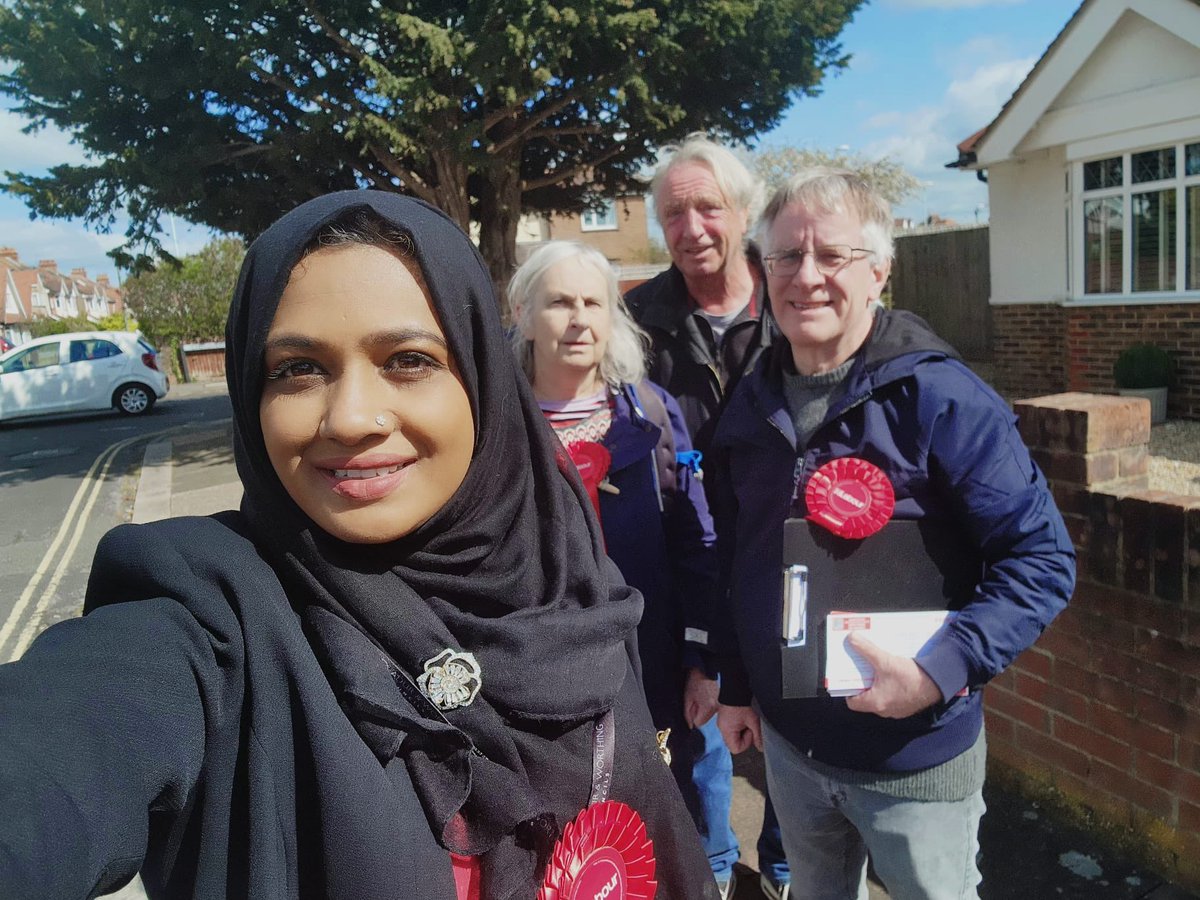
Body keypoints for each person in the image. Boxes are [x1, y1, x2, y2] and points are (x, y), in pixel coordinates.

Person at [0, 192, 718, 900]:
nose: (350, 418)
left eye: (407, 359)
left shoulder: (566, 571)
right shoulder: (206, 615)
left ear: (480, 380)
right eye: (297, 370)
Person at [712, 168, 1076, 900]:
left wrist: (941, 671)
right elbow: (740, 557)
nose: (806, 276)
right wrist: (736, 686)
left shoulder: (942, 398)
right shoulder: (749, 402)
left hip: (915, 759)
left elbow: (1041, 559)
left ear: (879, 272)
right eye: (786, 257)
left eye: (832, 255)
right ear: (764, 271)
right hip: (790, 747)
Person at [508, 240, 733, 895]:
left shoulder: (653, 415)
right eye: (558, 302)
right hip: (544, 679)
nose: (578, 318)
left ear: (612, 318)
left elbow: (698, 545)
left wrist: (702, 659)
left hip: (659, 669)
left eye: (592, 302)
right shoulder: (487, 426)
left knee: (691, 817)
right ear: (523, 314)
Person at [626, 133, 789, 899]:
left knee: (792, 719)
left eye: (707, 208)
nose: (690, 229)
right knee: (699, 724)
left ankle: (791, 867)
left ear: (743, 211)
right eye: (672, 213)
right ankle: (716, 868)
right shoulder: (637, 320)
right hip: (687, 555)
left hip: (779, 545)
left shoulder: (795, 299)